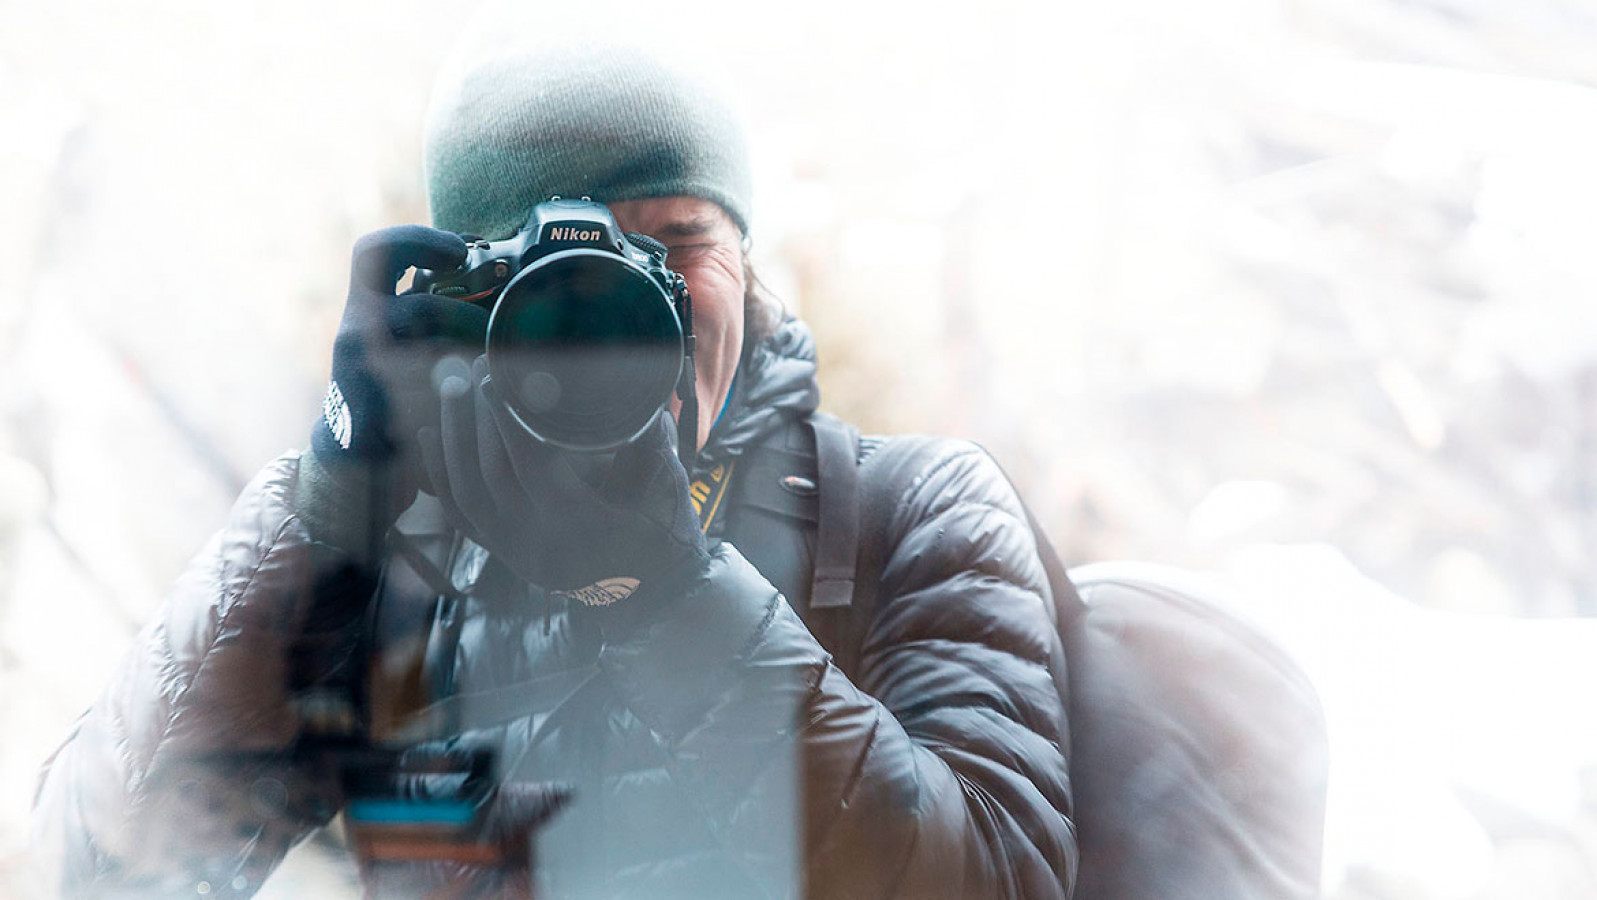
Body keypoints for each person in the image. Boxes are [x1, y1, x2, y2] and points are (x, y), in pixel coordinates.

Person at [32, 43, 1077, 898]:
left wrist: (668, 593)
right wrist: (327, 515)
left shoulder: (905, 513)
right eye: (567, 282)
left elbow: (1001, 879)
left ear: (748, 263)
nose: (632, 316)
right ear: (469, 307)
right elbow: (107, 871)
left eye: (676, 243)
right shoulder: (400, 562)